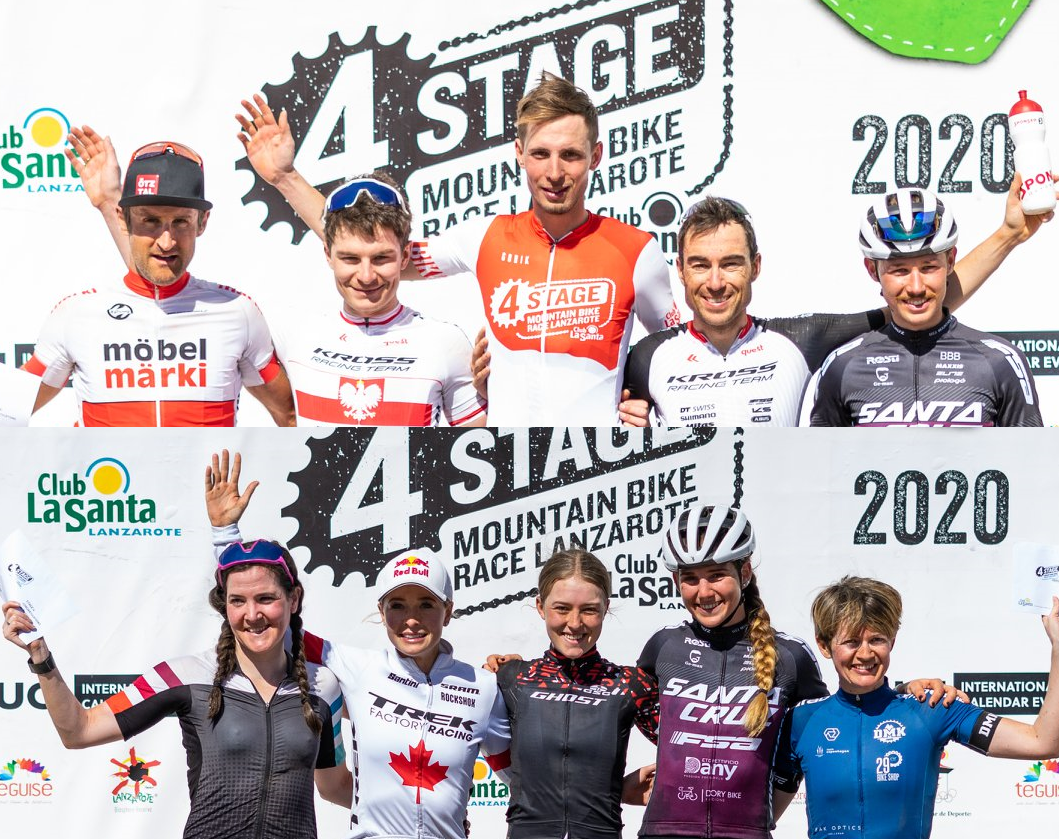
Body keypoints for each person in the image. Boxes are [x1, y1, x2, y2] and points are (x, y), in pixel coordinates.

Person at [235, 72, 681, 426]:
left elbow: (680, 356)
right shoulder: (487, 238)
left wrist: (643, 401)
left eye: (571, 155)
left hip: (600, 471)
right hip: (509, 470)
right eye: (540, 154)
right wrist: (286, 179)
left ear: (596, 156)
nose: (554, 172)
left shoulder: (636, 251)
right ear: (519, 153)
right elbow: (374, 246)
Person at [205, 450, 511, 839]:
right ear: (381, 612)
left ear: (447, 610)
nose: (411, 619)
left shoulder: (483, 687)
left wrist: (520, 676)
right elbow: (270, 624)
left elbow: (529, 785)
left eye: (426, 604)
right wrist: (225, 535)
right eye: (397, 606)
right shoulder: (357, 669)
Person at [627, 504, 963, 839]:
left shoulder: (789, 656)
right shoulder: (663, 647)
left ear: (745, 573)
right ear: (676, 580)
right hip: (664, 832)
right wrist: (637, 779)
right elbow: (612, 710)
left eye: (717, 575)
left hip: (747, 833)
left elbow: (842, 717)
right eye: (690, 578)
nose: (704, 592)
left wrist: (900, 694)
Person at [622, 181, 1051, 427]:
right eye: (701, 265)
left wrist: (1009, 234)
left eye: (731, 263)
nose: (715, 282)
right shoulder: (646, 357)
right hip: (692, 546)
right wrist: (630, 430)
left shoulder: (801, 340)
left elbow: (916, 300)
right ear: (681, 271)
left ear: (755, 267)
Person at [2, 539, 347, 839]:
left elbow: (334, 786)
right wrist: (40, 656)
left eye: (266, 598)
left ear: (293, 599)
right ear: (225, 605)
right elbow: (80, 730)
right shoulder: (184, 675)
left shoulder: (323, 687)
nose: (252, 614)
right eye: (238, 601)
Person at [23, 135, 295, 426]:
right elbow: (9, 410)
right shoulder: (76, 314)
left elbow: (291, 417)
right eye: (150, 221)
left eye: (181, 222)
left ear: (202, 222)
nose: (167, 242)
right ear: (123, 219)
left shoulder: (237, 311)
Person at [785, 576, 1059, 839]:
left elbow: (1042, 742)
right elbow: (763, 818)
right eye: (851, 642)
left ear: (892, 641)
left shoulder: (932, 708)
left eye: (877, 639)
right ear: (824, 645)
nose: (865, 653)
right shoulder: (799, 721)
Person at [809, 188, 1041, 426]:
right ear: (872, 270)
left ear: (950, 261)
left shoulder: (999, 360)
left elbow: (1031, 450)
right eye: (899, 270)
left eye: (929, 267)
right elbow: (819, 451)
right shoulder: (842, 366)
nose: (916, 287)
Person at [276, 172, 485, 426]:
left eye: (381, 258)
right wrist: (282, 176)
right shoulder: (293, 334)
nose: (366, 276)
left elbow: (481, 444)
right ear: (328, 254)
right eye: (350, 259)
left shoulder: (445, 342)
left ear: (404, 257)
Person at [485, 549, 658, 839]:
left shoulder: (631, 684)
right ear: (540, 606)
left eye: (589, 609)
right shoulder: (510, 678)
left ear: (606, 608)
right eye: (562, 608)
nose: (575, 623)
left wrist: (635, 786)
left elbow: (698, 750)